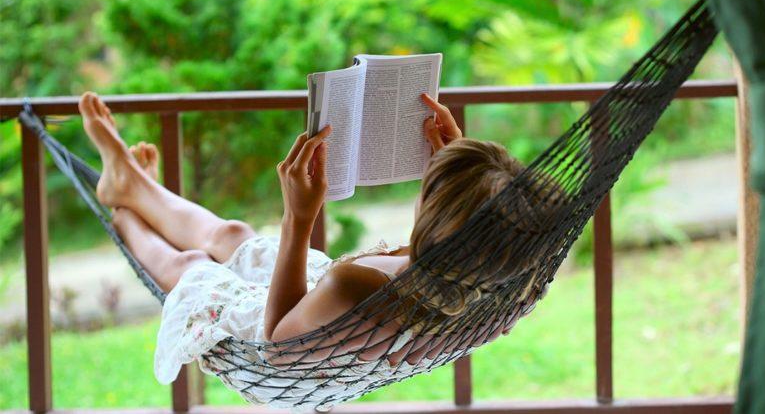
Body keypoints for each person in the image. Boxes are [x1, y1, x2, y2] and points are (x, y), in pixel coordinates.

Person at [77, 91, 530, 407]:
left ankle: (124, 214)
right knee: (233, 234)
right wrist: (461, 170)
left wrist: (299, 217)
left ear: (438, 216)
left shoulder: (358, 285)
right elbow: (460, 236)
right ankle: (133, 187)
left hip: (268, 343)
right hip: (316, 305)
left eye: (431, 185)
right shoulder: (489, 270)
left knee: (194, 265)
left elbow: (275, 343)